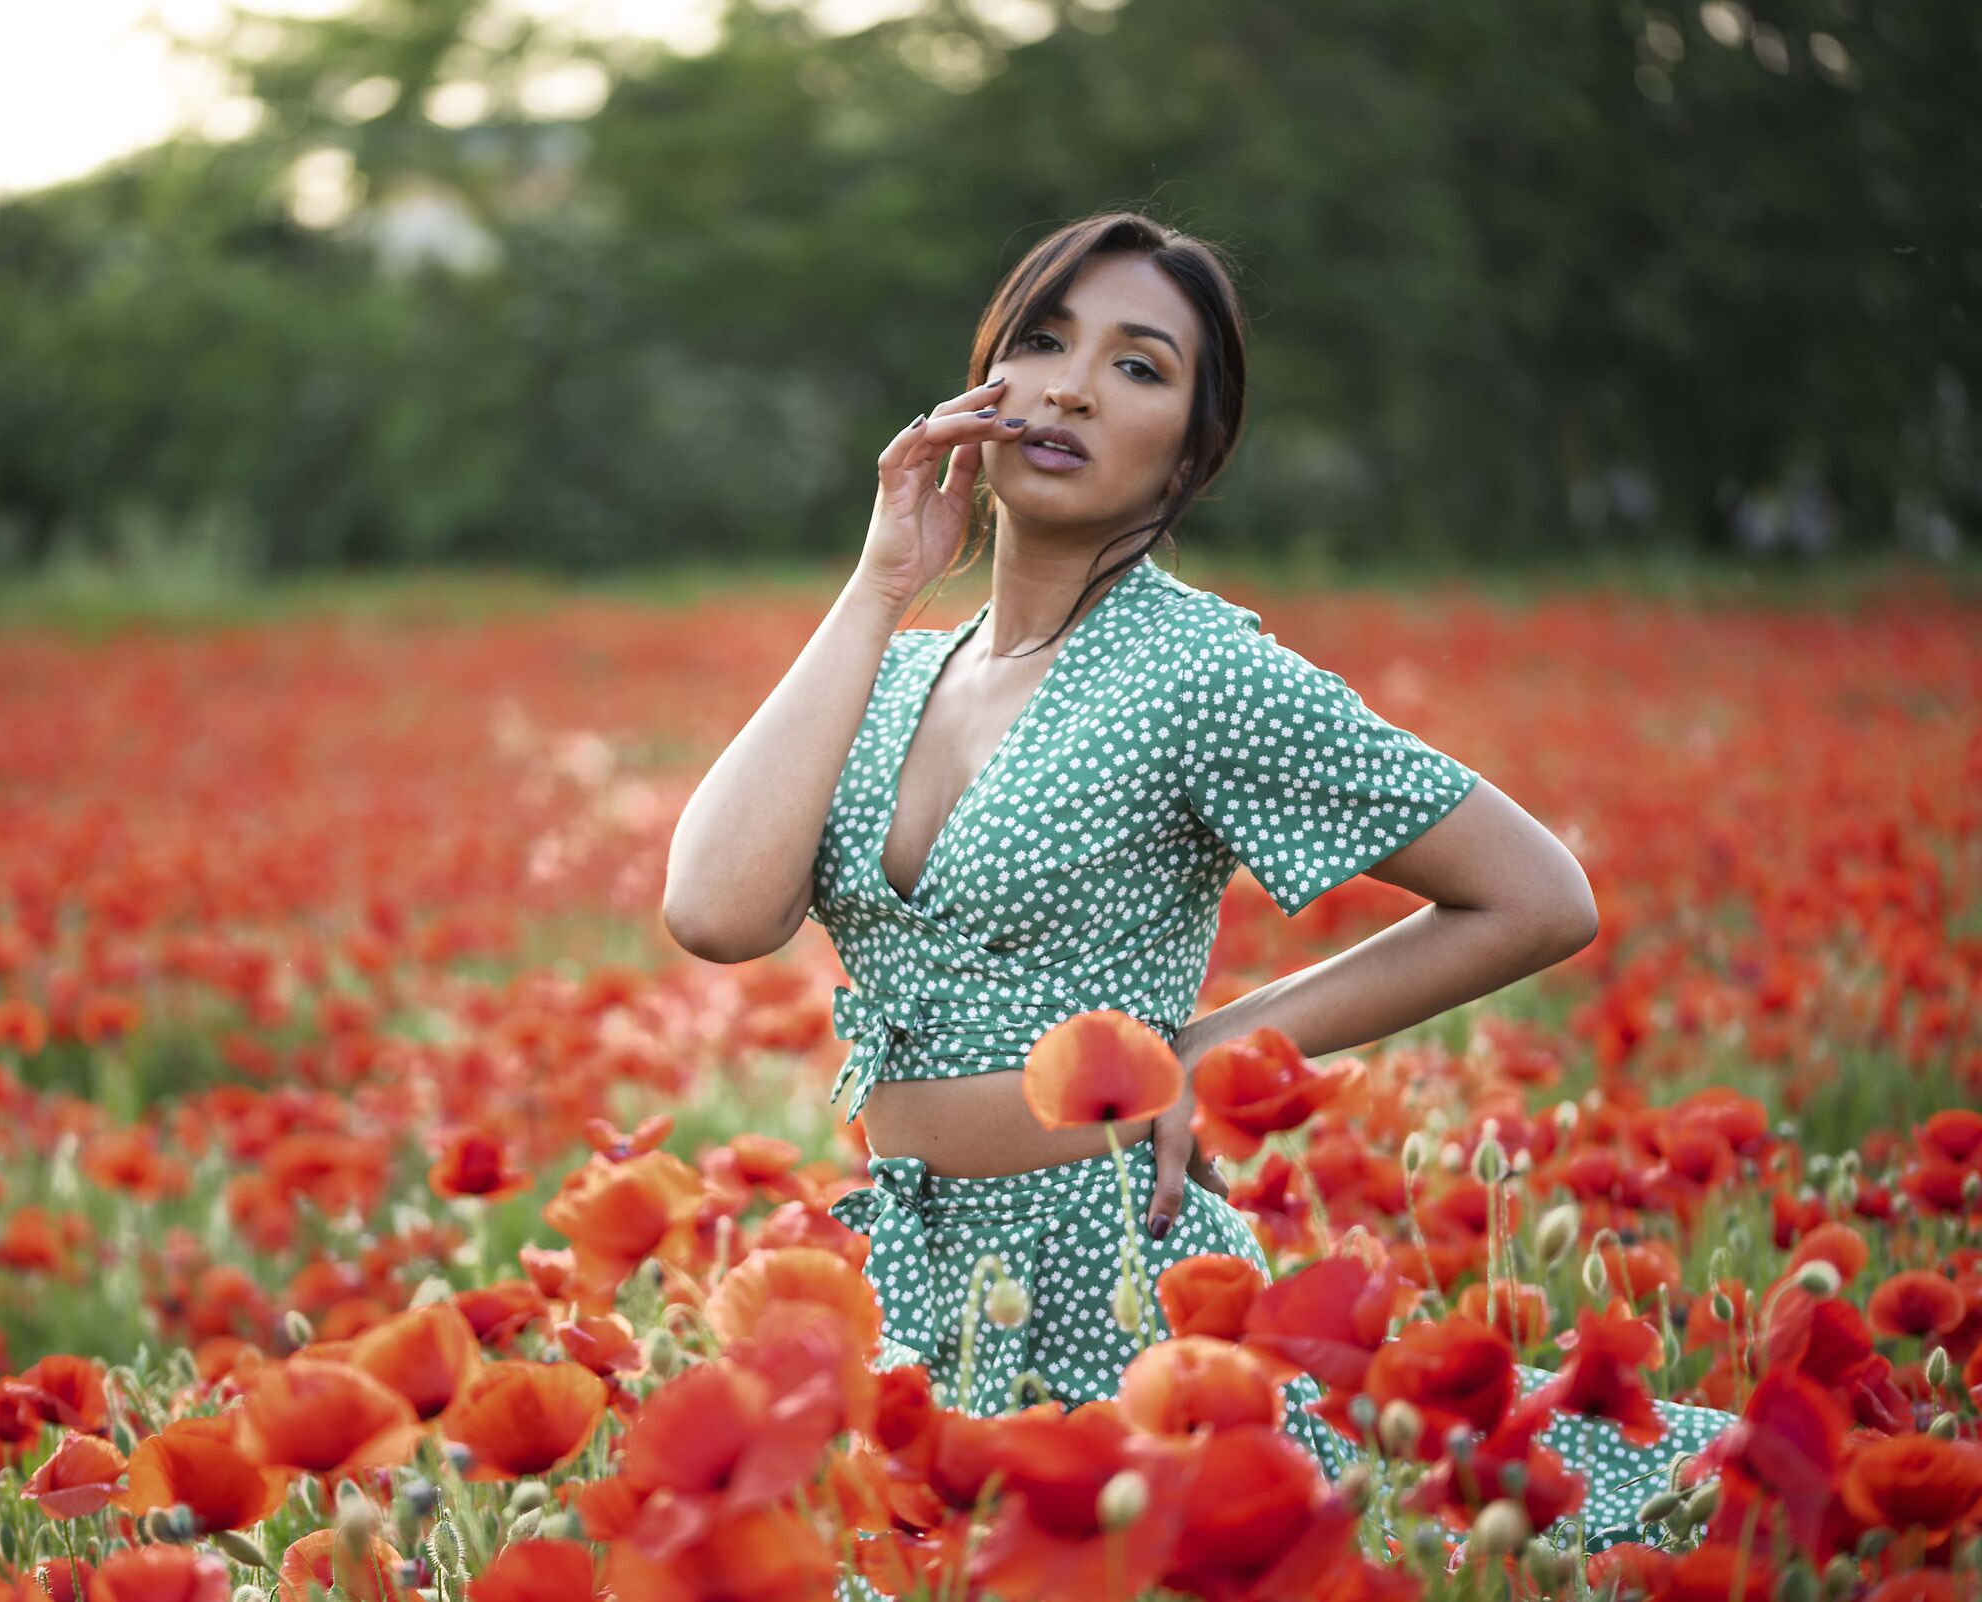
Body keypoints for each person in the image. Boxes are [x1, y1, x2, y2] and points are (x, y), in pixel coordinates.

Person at [660, 211, 1736, 1578]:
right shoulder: (891, 671)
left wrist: (1210, 1052)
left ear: (1192, 446)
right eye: (1043, 343)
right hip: (918, 1290)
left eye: (1137, 366)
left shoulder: (1199, 674)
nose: (1068, 387)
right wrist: (880, 579)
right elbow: (714, 908)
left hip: (1116, 1294)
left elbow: (1535, 895)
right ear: (980, 381)